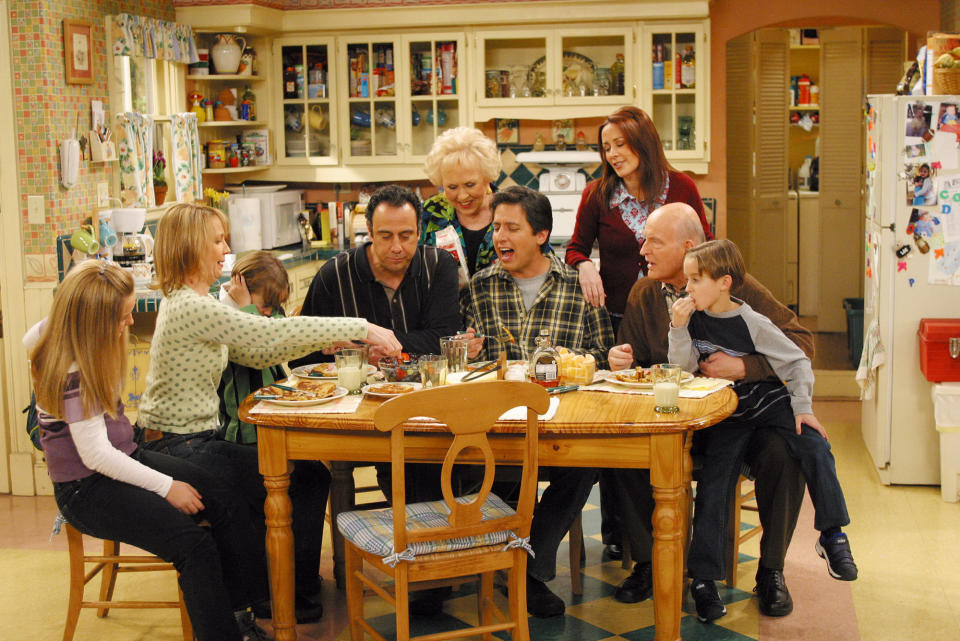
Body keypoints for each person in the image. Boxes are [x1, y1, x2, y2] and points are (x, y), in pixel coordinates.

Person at [136, 202, 401, 624]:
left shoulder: (195, 303)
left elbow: (259, 347)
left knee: (307, 474)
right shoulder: (191, 306)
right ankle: (269, 598)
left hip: (193, 441)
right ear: (191, 247)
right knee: (287, 480)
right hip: (177, 447)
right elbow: (264, 333)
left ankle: (288, 587)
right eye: (217, 240)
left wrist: (325, 343)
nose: (226, 249)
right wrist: (359, 327)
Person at [25, 261, 270, 641]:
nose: (128, 324)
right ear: (91, 321)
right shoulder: (75, 370)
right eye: (122, 317)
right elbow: (96, 458)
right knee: (194, 547)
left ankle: (239, 613)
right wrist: (167, 486)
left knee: (224, 497)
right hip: (86, 489)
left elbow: (34, 335)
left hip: (123, 457)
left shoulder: (61, 335)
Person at [608, 202, 810, 619]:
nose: (643, 249)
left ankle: (771, 570)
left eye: (654, 242)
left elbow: (803, 345)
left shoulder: (735, 288)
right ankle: (650, 561)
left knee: (785, 450)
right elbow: (634, 358)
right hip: (671, 417)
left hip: (740, 418)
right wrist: (619, 358)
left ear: (687, 247)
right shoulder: (645, 292)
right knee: (619, 450)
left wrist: (745, 366)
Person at [669, 238, 857, 623]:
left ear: (724, 282)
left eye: (694, 280)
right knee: (714, 486)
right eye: (686, 280)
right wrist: (677, 328)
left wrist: (803, 409)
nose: (686, 288)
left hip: (770, 406)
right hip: (729, 415)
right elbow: (683, 368)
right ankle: (703, 580)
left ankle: (832, 535)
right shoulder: (693, 318)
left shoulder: (753, 321)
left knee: (815, 445)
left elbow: (797, 362)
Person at [461, 185, 614, 618]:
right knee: (486, 469)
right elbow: (467, 360)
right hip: (499, 432)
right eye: (496, 228)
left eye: (512, 228)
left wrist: (582, 365)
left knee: (587, 463)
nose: (500, 237)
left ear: (542, 234)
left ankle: (527, 567)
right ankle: (498, 559)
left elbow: (603, 359)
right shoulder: (480, 287)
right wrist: (470, 352)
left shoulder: (577, 287)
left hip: (561, 429)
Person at [564, 106, 712, 555]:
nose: (613, 155)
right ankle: (618, 536)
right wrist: (586, 265)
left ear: (642, 143)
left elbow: (704, 250)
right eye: (606, 147)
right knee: (620, 423)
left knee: (668, 411)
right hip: (618, 319)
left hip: (676, 312)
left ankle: (667, 527)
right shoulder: (597, 193)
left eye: (620, 145)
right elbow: (574, 247)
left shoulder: (681, 186)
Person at [216, 251, 330, 623]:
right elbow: (256, 351)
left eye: (273, 307)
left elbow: (281, 336)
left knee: (315, 476)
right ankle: (275, 592)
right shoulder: (229, 320)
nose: (269, 315)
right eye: (265, 307)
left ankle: (301, 579)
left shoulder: (263, 317)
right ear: (240, 291)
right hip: (242, 438)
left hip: (269, 432)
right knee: (295, 487)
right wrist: (245, 309)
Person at [420, 126, 502, 287]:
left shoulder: (512, 208)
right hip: (446, 309)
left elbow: (542, 263)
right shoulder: (432, 211)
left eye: (470, 184)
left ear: (487, 177)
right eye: (452, 187)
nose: (462, 195)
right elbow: (417, 267)